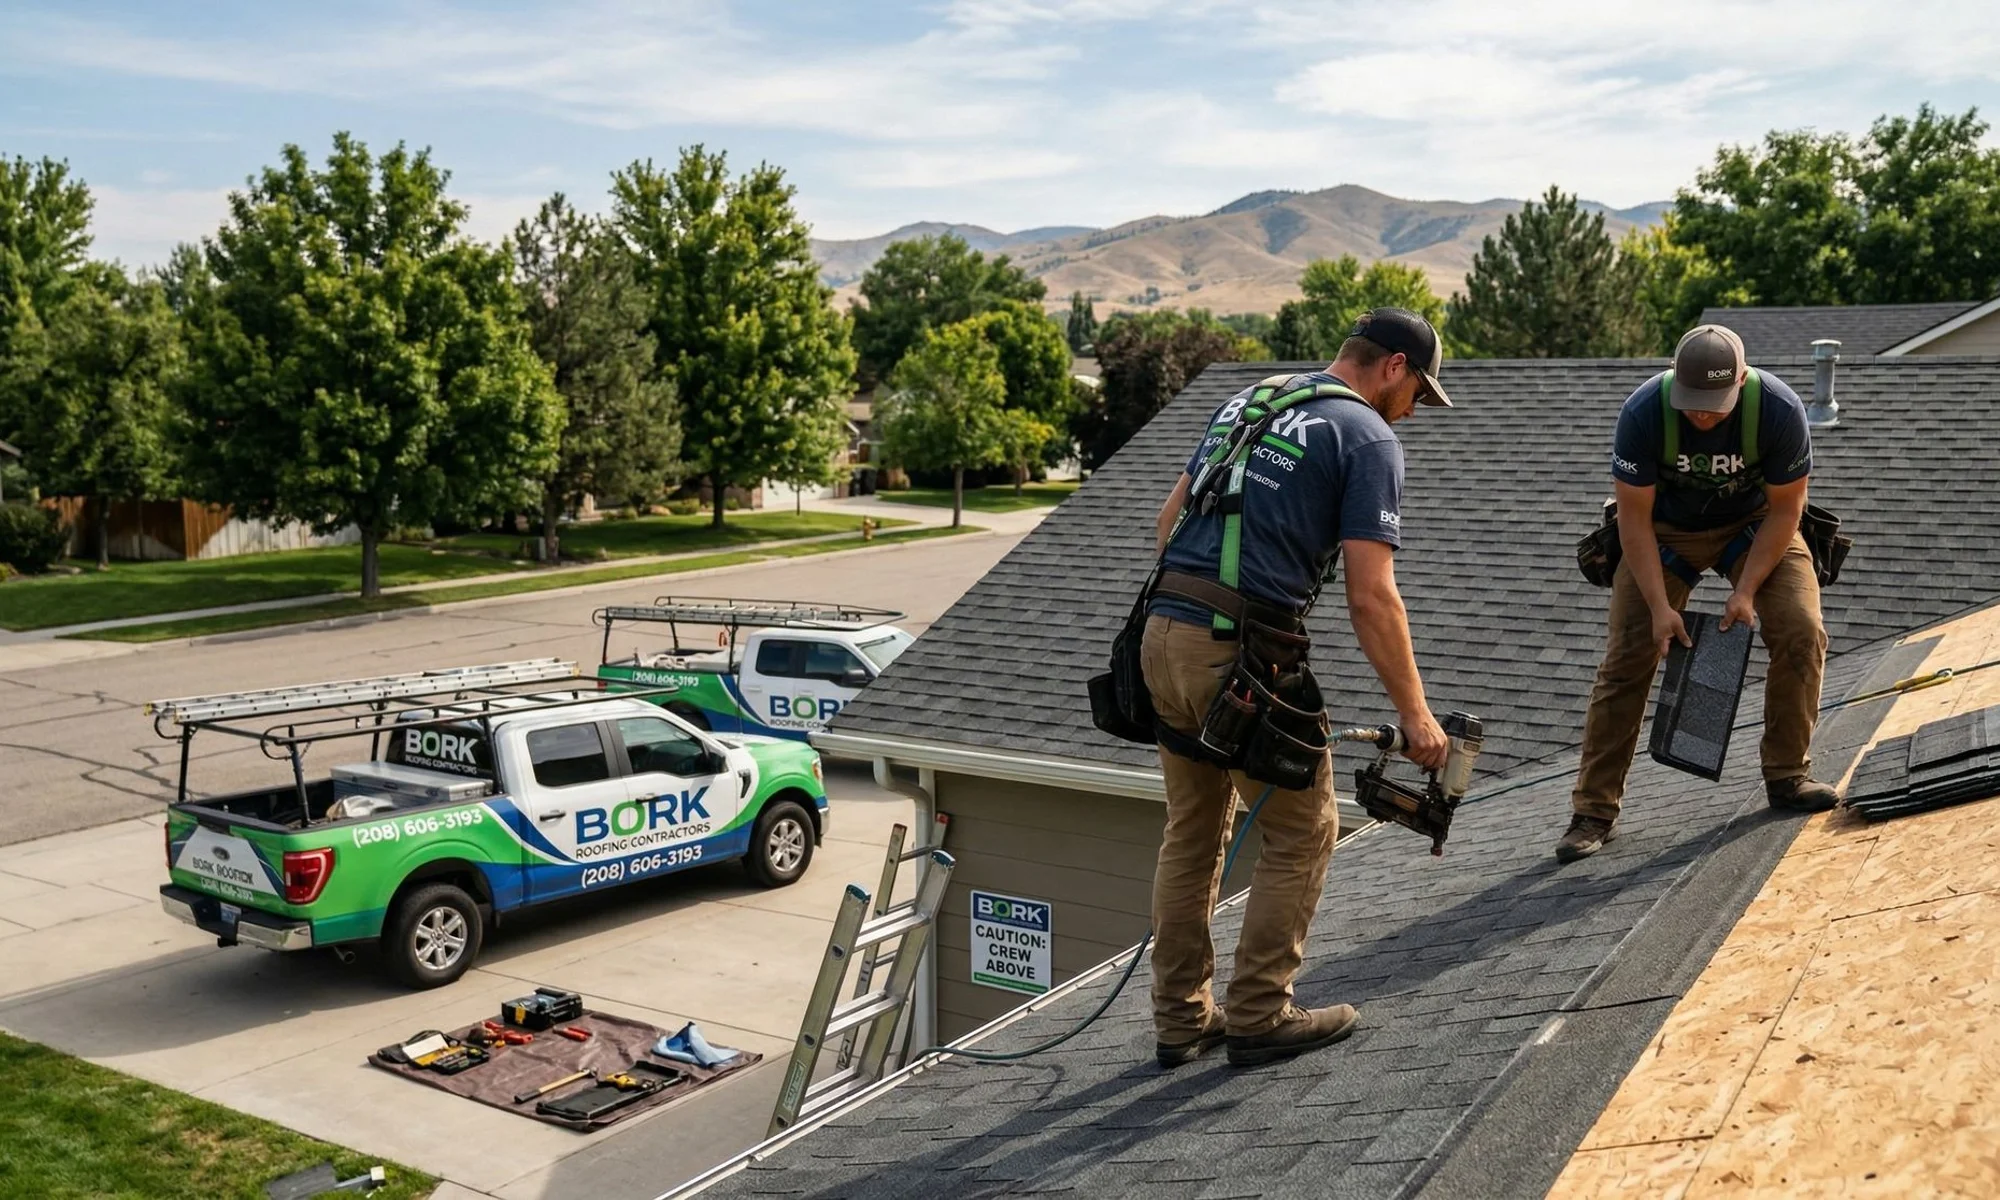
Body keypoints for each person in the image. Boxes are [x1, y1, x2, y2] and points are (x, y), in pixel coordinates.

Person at [1142, 307, 1450, 1069]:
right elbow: (1371, 595)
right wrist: (1416, 714)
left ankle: (1182, 1021)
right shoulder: (1368, 436)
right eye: (1419, 393)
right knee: (1303, 830)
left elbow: (1166, 523)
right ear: (1394, 368)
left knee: (1192, 832)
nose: (1415, 412)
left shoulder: (1252, 400)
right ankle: (1258, 1013)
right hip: (1237, 660)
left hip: (1159, 638)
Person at [1558, 324, 1836, 863]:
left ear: (1741, 380)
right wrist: (1662, 609)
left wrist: (1747, 590)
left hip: (1753, 528)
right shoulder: (1643, 413)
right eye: (1693, 404)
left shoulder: (1778, 410)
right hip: (1664, 532)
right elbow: (1633, 523)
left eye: (1714, 405)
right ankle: (1594, 810)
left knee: (1802, 629)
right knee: (1628, 654)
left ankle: (1787, 776)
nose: (1702, 416)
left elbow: (1786, 511)